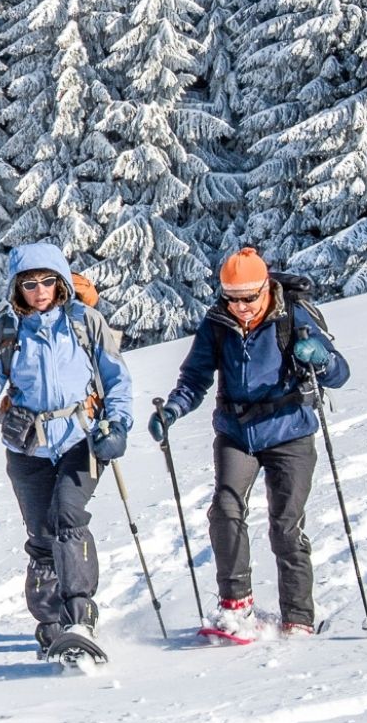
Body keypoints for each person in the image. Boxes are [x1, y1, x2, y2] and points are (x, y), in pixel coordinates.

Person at [147, 247, 349, 639]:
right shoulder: (217, 323)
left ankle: (299, 616)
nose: (240, 306)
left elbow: (340, 373)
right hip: (236, 432)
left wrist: (321, 359)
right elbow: (194, 378)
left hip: (290, 431)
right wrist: (172, 411)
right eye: (232, 298)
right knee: (224, 509)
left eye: (248, 298)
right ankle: (236, 607)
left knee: (285, 525)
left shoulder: (293, 316)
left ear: (265, 289)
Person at [0, 242, 133, 658]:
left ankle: (80, 614)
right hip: (26, 445)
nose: (40, 289)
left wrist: (118, 425)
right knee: (42, 535)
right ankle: (50, 625)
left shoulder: (86, 322)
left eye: (48, 281)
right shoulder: (7, 332)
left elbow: (117, 379)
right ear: (18, 287)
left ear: (62, 282)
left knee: (69, 516)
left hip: (81, 437)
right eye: (30, 283)